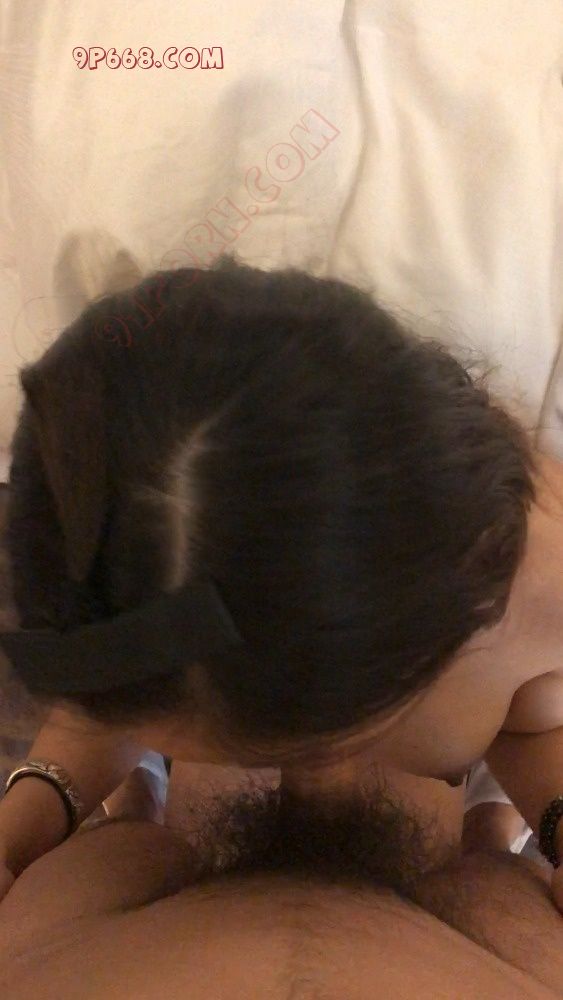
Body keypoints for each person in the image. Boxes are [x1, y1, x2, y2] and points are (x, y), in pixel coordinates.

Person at [0, 260, 562, 911]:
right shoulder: (136, 604)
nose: (303, 784)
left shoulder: (534, 593)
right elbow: (123, 692)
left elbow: (532, 725)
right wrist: (24, 821)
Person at [0, 760, 561, 999]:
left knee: (136, 842)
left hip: (88, 943)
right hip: (484, 947)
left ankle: (134, 801)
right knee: (487, 862)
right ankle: (491, 825)